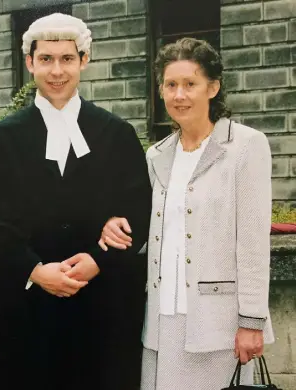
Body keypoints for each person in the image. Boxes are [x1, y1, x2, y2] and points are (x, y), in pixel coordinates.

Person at [0, 13, 152, 390]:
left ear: (84, 60)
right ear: (30, 63)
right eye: (46, 59)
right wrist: (34, 270)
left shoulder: (117, 134)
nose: (57, 71)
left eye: (67, 58)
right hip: (23, 310)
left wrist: (98, 261)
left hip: (100, 310)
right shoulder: (2, 139)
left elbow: (140, 211)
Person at [98, 37, 275, 390]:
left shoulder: (245, 146)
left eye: (190, 84)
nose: (179, 95)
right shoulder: (156, 155)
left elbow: (254, 241)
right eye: (170, 85)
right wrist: (110, 225)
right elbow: (147, 230)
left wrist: (252, 321)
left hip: (219, 325)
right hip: (161, 323)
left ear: (213, 87)